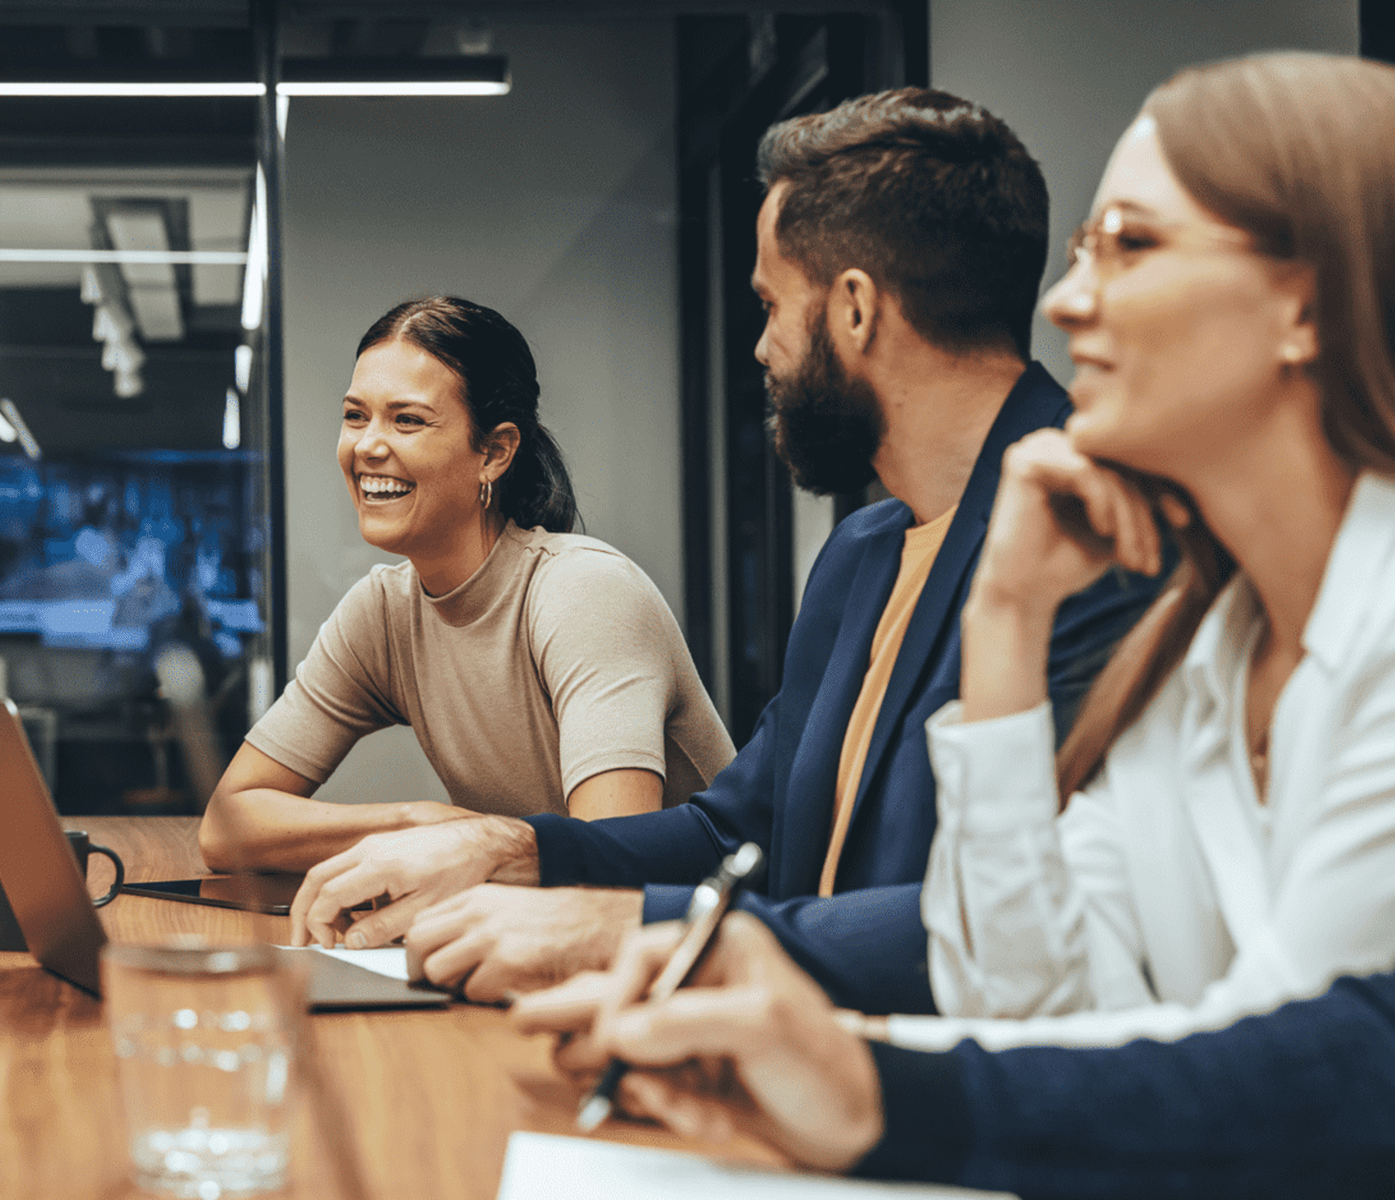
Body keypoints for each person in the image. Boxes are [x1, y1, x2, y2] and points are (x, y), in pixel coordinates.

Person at [285, 90, 1167, 1011]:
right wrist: (515, 851)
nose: (760, 348)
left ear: (855, 310)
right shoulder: (862, 554)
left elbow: (1010, 924)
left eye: (771, 305)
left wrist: (626, 928)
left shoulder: (1103, 545)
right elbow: (735, 829)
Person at [883, 49, 1395, 1052]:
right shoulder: (1199, 658)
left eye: (1130, 245)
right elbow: (1020, 1008)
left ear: (1305, 303)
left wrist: (845, 1070)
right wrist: (1005, 617)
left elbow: (1268, 1088)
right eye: (1082, 249)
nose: (1064, 303)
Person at [199, 296, 734, 876]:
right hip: (547, 937)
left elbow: (608, 868)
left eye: (408, 420)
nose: (368, 446)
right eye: (356, 416)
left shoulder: (584, 591)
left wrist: (462, 845)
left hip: (699, 945)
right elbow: (227, 828)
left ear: (495, 452)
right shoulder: (383, 613)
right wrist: (417, 823)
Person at [516, 913, 1395, 1200]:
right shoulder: (1202, 629)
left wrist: (876, 1083)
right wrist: (851, 1064)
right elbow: (1029, 978)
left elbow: (1322, 1072)